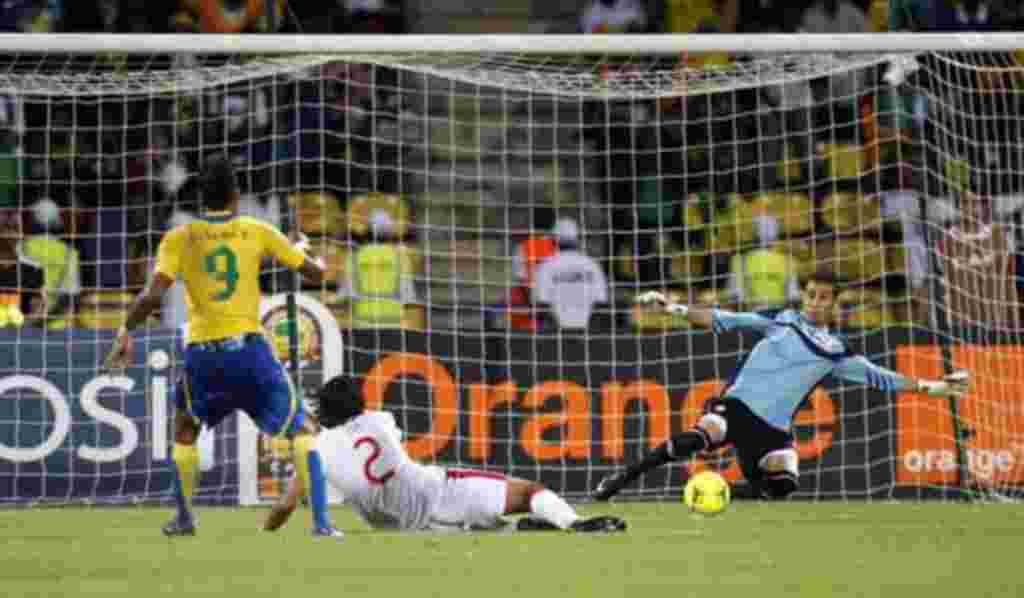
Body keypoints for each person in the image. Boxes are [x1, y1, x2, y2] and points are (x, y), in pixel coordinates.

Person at [102, 153, 341, 538]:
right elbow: (318, 274)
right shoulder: (257, 230)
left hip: (204, 355)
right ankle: (322, 525)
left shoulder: (179, 238)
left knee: (184, 430)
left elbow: (151, 297)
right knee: (303, 430)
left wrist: (125, 331)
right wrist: (304, 247)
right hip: (249, 351)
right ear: (236, 194)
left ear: (201, 195)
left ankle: (183, 519)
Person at [592, 275, 970, 501]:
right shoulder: (781, 319)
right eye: (810, 295)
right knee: (692, 440)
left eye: (824, 297)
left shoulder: (837, 351)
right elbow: (724, 318)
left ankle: (716, 494)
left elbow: (882, 377)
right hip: (736, 409)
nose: (815, 302)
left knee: (783, 485)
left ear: (835, 304)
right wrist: (671, 308)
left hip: (774, 431)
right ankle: (620, 480)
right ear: (802, 297)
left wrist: (936, 387)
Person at [264, 375, 627, 534]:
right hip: (440, 492)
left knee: (490, 527)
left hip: (405, 528)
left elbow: (284, 507)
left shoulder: (317, 450)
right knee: (529, 491)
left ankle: (520, 525)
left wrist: (266, 531)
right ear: (359, 404)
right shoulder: (379, 420)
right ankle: (573, 523)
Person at [532, 218, 609, 330]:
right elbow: (601, 303)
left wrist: (559, 330)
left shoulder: (545, 266)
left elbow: (541, 304)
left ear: (554, 241)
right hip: (586, 334)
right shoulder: (592, 265)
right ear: (578, 239)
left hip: (556, 335)